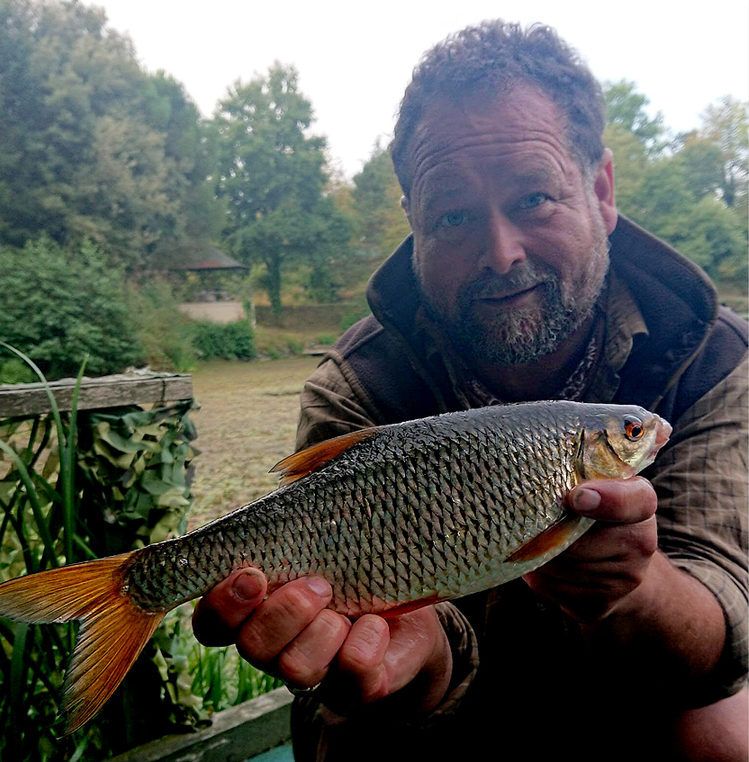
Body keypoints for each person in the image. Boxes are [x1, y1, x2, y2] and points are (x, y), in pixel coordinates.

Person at [193, 21, 748, 761]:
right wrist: (416, 659)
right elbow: (375, 651)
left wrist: (634, 588)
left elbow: (721, 639)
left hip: (632, 691)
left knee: (720, 731)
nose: (499, 253)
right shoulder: (359, 382)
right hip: (435, 715)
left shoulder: (708, 355)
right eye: (452, 215)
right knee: (347, 733)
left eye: (533, 199)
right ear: (414, 226)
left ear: (601, 191)